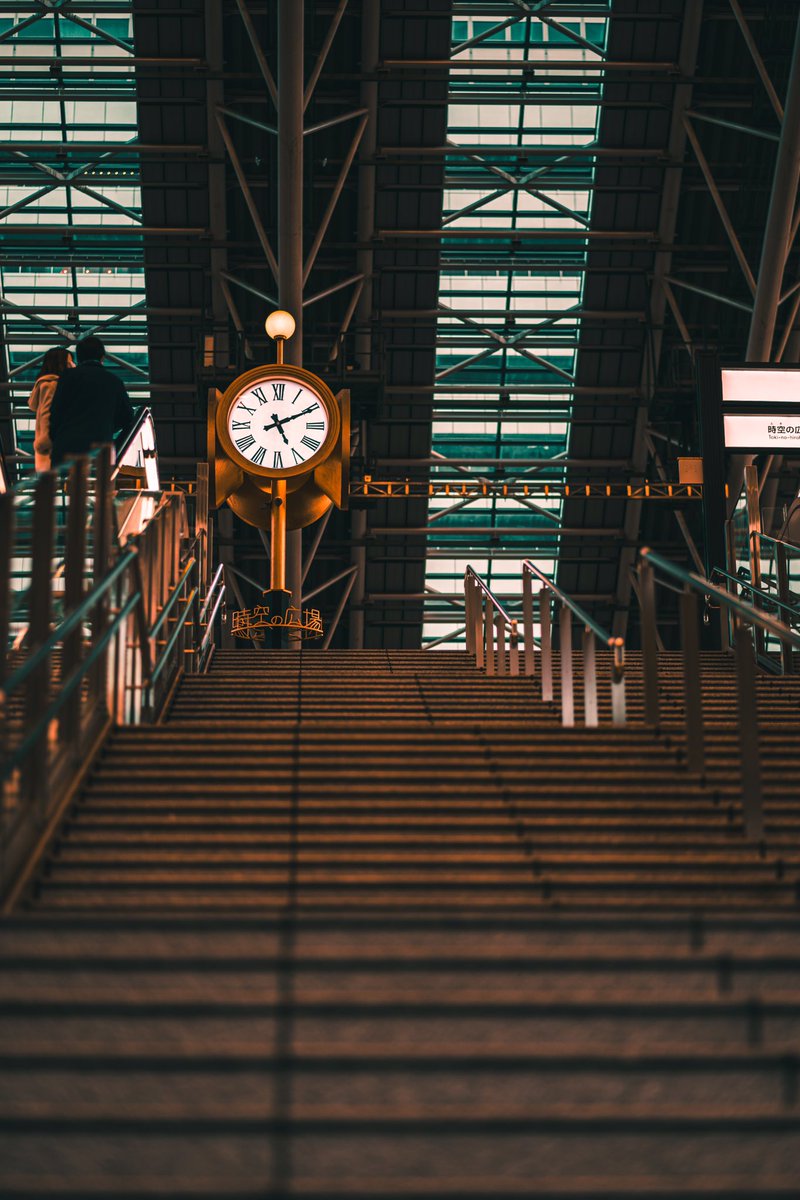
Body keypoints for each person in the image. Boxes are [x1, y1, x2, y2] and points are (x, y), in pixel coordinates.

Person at [49, 335, 134, 467]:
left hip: (67, 446)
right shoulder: (114, 382)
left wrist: (56, 439)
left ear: (78, 358)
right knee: (100, 486)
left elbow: (56, 411)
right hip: (100, 450)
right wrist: (109, 427)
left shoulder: (67, 377)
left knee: (65, 484)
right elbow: (128, 417)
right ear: (102, 357)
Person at [27, 347, 74, 472]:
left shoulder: (43, 383)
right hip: (52, 445)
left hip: (46, 448)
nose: (73, 365)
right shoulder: (53, 384)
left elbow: (34, 406)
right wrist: (46, 441)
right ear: (61, 363)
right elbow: (46, 413)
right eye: (70, 362)